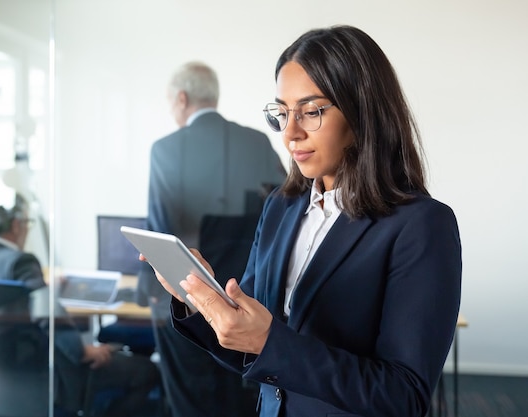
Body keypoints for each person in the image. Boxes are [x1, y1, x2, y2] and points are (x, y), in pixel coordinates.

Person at [149, 26, 462, 417]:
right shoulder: (281, 208)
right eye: (282, 113)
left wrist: (270, 342)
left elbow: (403, 396)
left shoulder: (421, 225)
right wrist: (201, 302)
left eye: (311, 112)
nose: (290, 134)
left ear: (362, 111)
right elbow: (251, 353)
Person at [136, 61, 286, 417]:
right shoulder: (258, 141)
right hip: (248, 303)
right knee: (239, 399)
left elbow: (160, 229)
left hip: (188, 301)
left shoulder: (165, 150)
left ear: (183, 98)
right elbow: (283, 213)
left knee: (189, 403)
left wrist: (148, 295)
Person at [0, 193, 160, 417]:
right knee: (147, 371)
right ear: (16, 225)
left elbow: (8, 302)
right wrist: (81, 351)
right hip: (46, 371)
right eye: (27, 223)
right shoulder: (21, 262)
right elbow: (47, 314)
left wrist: (42, 287)